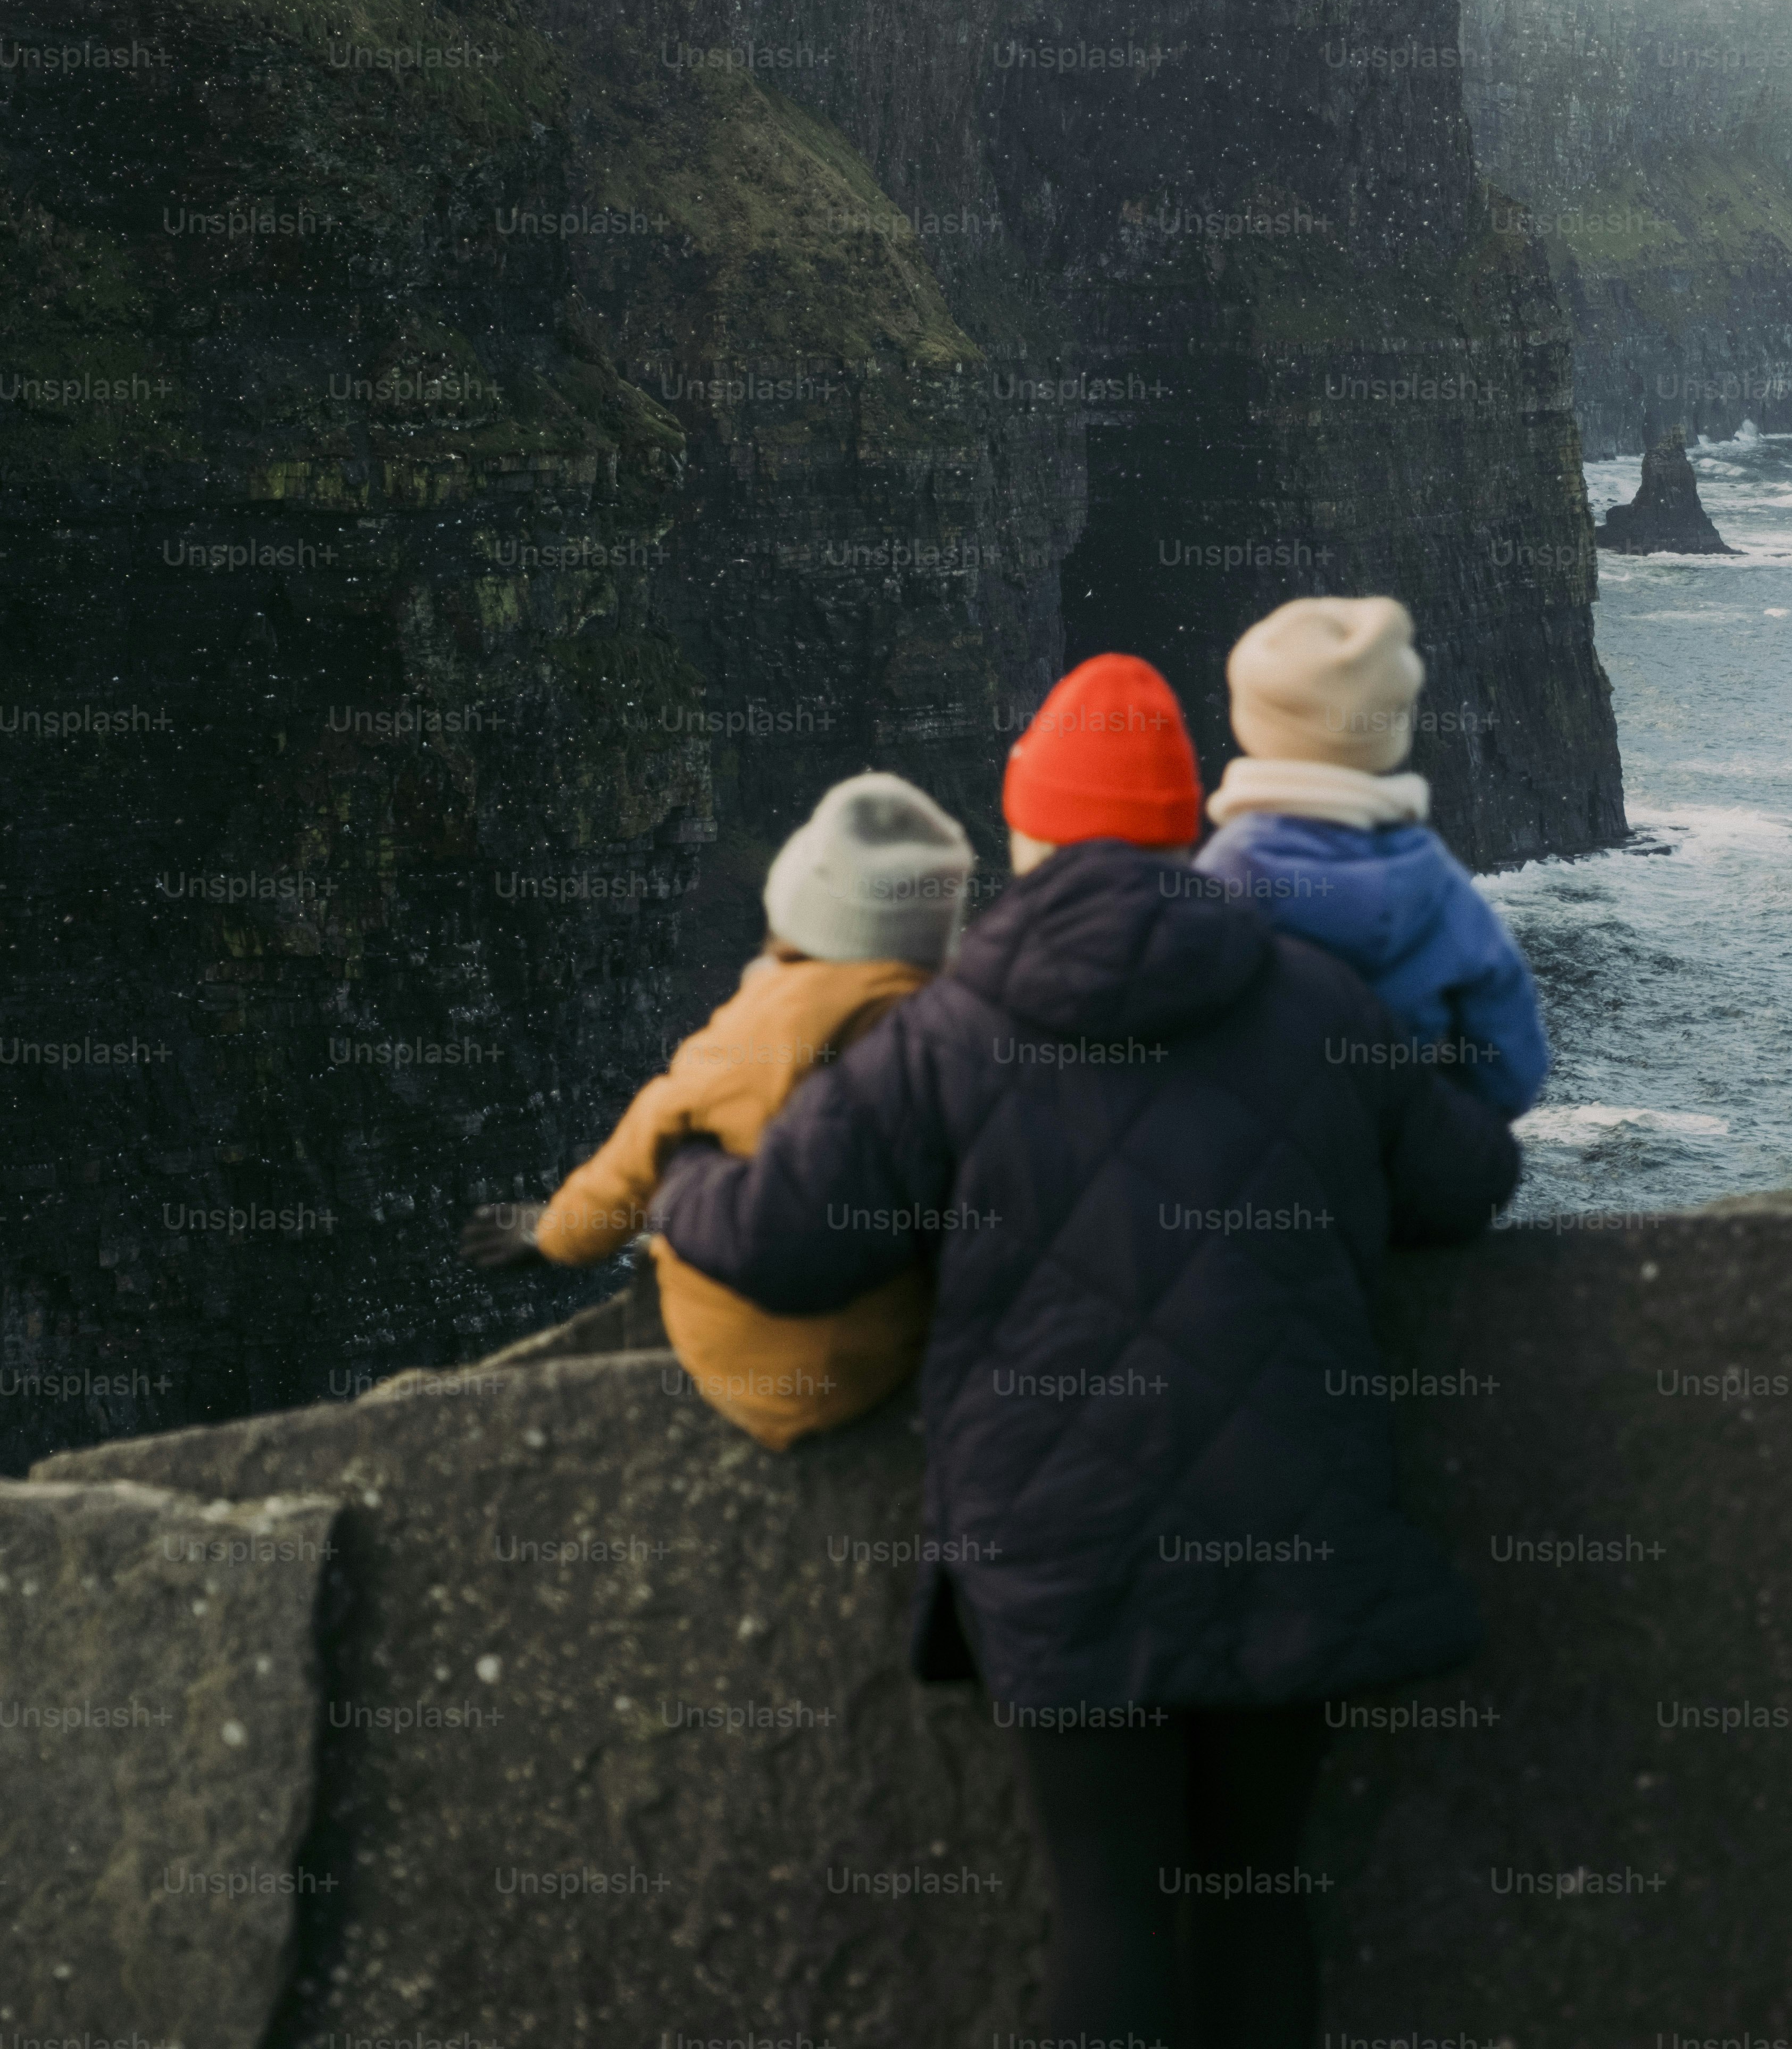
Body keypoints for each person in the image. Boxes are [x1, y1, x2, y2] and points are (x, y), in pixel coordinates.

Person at [650, 651, 1519, 2043]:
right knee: (1252, 1895)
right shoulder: (1313, 999)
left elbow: (776, 1240)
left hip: (1063, 1539)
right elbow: (1467, 1185)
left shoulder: (945, 1034)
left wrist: (683, 1169)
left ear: (1026, 831)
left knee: (1111, 1914)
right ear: (1186, 827)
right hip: (1292, 1516)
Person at [459, 771, 974, 1450]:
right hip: (883, 1358)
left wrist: (550, 1234)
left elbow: (634, 1156)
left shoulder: (752, 1029)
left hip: (740, 1366)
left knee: (683, 1157)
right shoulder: (960, 1035)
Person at [1192, 596, 1548, 1119]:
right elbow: (1513, 1067)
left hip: (1242, 1153)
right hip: (1386, 1161)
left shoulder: (1224, 871)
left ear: (1251, 723)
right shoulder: (1435, 882)